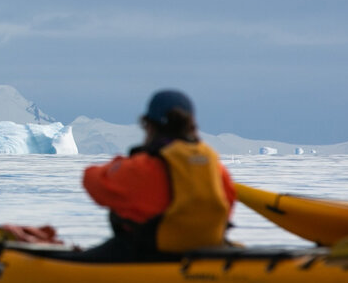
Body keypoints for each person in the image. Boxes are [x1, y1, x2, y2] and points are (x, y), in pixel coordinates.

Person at [80, 89, 236, 260]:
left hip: (152, 254)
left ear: (150, 125)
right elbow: (228, 204)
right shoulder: (214, 167)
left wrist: (121, 163)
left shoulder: (145, 167)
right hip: (209, 252)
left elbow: (93, 181)